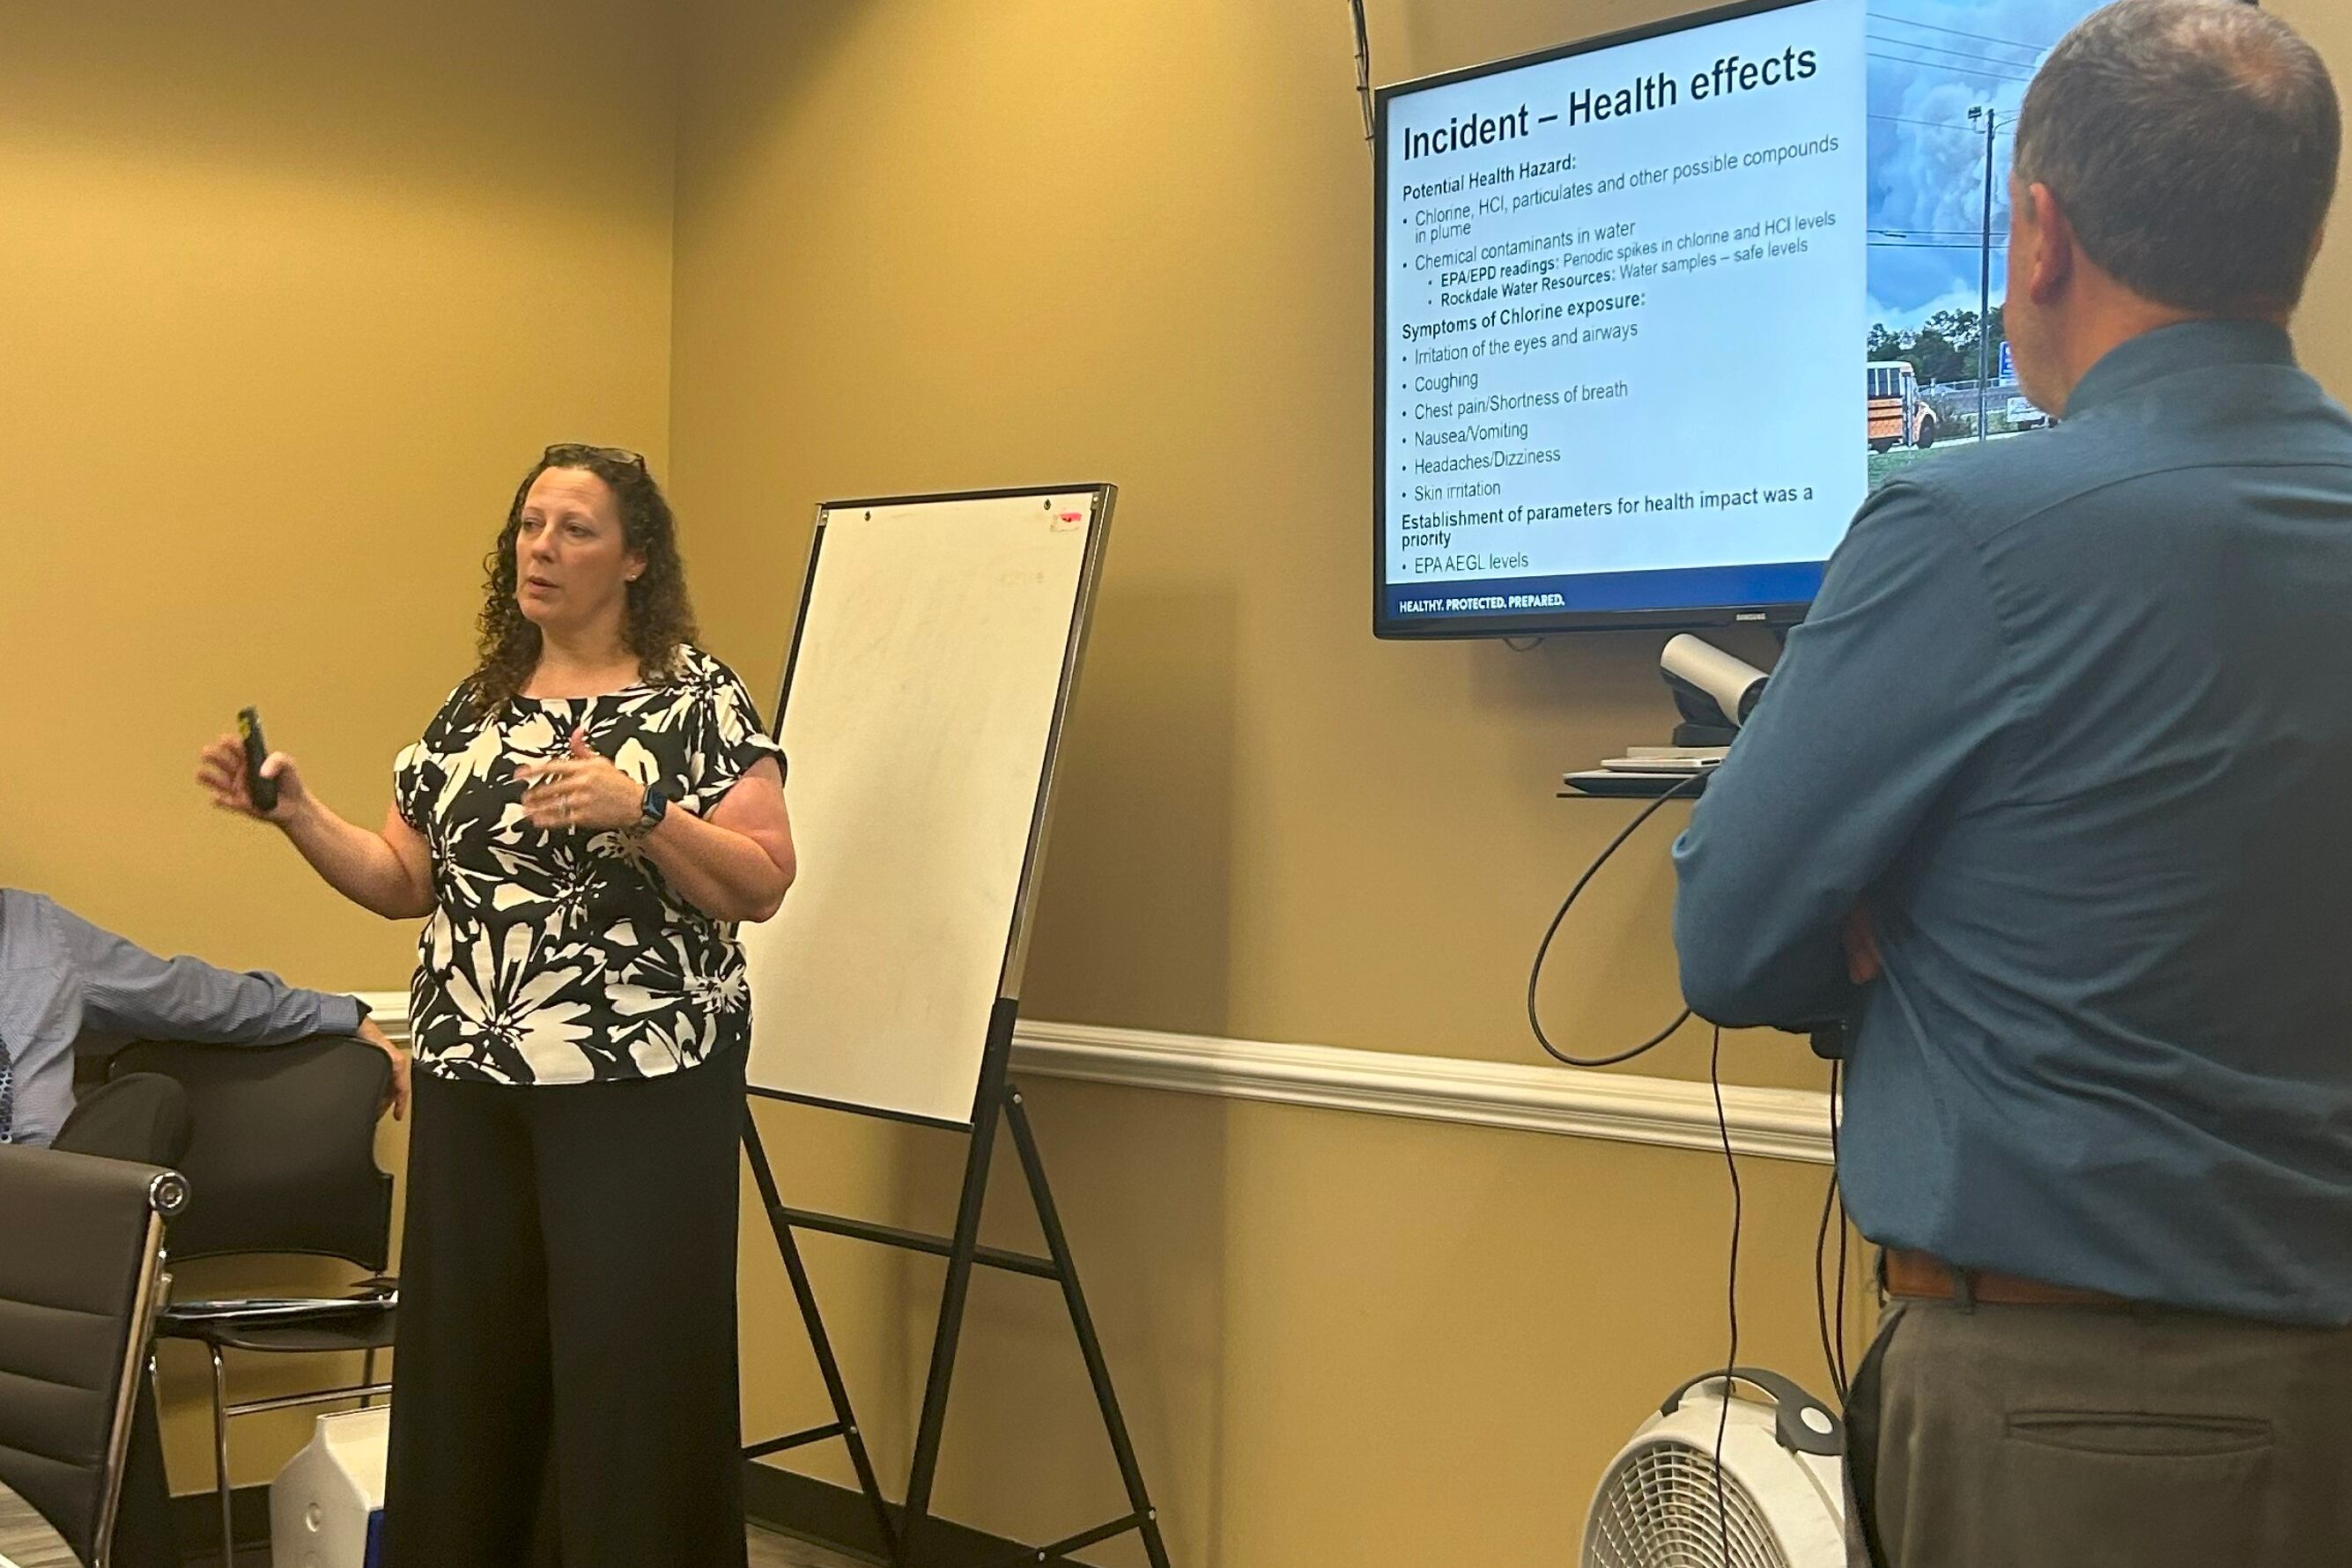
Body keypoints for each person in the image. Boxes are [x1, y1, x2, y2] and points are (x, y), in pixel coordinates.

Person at [1671, 3, 2349, 1564]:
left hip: (2072, 1426)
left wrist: (1895, 913)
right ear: (2299, 240)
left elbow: (1728, 943)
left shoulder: (1966, 533)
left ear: (2036, 234)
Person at [197, 442, 795, 1568]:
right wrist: (297, 815)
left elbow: (763, 878)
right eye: (529, 525)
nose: (541, 548)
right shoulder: (473, 708)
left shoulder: (695, 699)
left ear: (636, 559)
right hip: (475, 1081)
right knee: (472, 1367)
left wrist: (644, 806)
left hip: (642, 1088)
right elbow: (400, 880)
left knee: (628, 1367)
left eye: (574, 528)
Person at [0, 888, 405, 1151]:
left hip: (49, 1213)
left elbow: (189, 997)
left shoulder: (35, 930)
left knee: (150, 1099)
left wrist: (342, 1014)